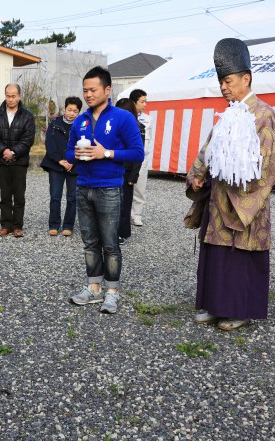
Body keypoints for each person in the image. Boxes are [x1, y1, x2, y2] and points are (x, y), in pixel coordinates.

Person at [185, 38, 275, 331]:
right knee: (216, 254)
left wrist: (239, 188)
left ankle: (239, 310)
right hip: (218, 199)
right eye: (221, 82)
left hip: (243, 200)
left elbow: (268, 163)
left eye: (228, 80)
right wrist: (198, 176)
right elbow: (209, 150)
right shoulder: (227, 114)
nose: (224, 87)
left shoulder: (264, 115)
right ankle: (215, 306)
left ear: (245, 78)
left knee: (240, 255)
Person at [66, 66, 144, 314]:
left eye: (93, 90)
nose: (88, 94)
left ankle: (112, 292)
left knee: (110, 243)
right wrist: (76, 155)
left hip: (109, 187)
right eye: (85, 90)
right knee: (90, 243)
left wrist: (106, 153)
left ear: (107, 89)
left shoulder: (122, 117)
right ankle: (94, 288)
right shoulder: (81, 120)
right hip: (83, 186)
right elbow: (68, 152)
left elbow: (137, 152)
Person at [0, 83, 36, 238]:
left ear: (19, 96)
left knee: (19, 195)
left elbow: (28, 139)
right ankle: (6, 225)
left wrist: (14, 152)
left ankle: (18, 226)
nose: (10, 99)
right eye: (8, 96)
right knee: (5, 195)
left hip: (19, 162)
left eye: (13, 96)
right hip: (2, 161)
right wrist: (4, 151)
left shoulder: (27, 116)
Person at [40, 97, 82, 237]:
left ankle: (68, 225)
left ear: (79, 112)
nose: (71, 113)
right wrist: (60, 161)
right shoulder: (54, 124)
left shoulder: (82, 126)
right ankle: (53, 225)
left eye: (75, 111)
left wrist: (72, 161)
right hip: (56, 166)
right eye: (69, 110)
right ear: (64, 108)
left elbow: (83, 146)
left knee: (72, 198)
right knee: (55, 196)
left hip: (74, 166)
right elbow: (50, 145)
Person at [114, 98, 143, 245]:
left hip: (128, 170)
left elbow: (138, 155)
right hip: (113, 168)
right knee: (112, 202)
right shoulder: (113, 126)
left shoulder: (138, 127)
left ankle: (123, 233)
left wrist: (134, 175)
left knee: (125, 203)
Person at [129, 89, 152, 227]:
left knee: (140, 188)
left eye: (145, 101)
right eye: (142, 101)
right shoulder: (125, 117)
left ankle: (136, 215)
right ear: (134, 102)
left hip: (142, 159)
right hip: (128, 157)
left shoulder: (148, 119)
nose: (145, 104)